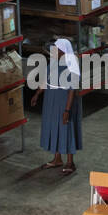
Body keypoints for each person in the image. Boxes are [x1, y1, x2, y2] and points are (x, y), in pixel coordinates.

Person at [31, 37, 83, 174]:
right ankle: (57, 158)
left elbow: (72, 89)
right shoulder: (53, 62)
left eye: (56, 49)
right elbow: (46, 81)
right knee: (54, 127)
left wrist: (67, 109)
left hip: (64, 101)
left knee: (66, 128)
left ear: (64, 51)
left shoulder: (72, 66)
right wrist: (37, 94)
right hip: (51, 101)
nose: (53, 50)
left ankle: (70, 162)